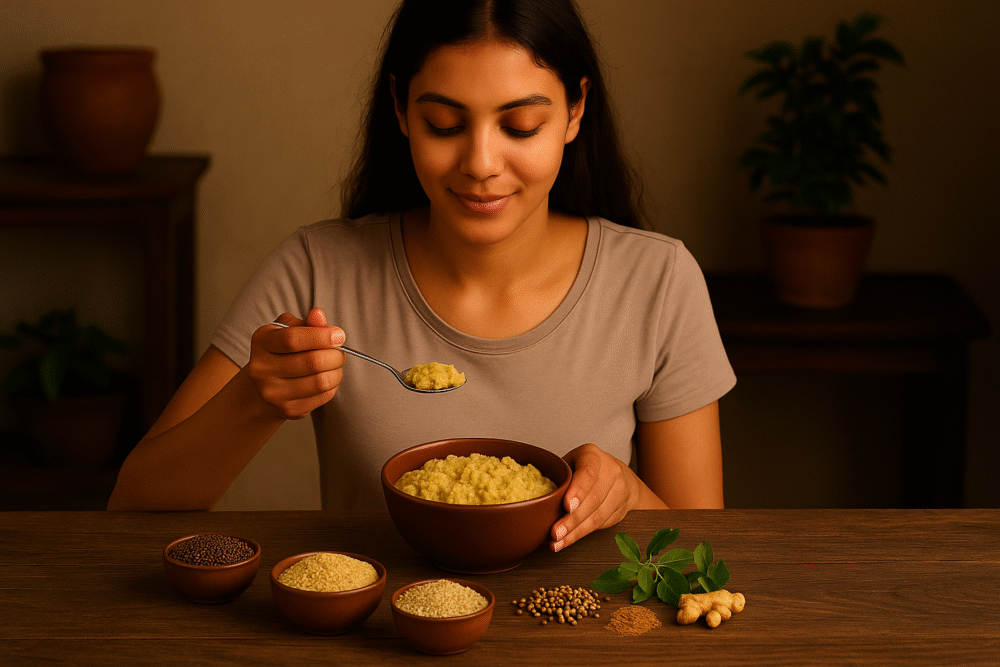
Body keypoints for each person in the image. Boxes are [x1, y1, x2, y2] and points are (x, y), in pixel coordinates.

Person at [108, 0, 736, 553]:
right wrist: (254, 399)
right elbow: (133, 507)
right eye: (445, 125)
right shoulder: (318, 270)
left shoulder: (657, 279)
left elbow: (706, 551)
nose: (481, 163)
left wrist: (626, 492)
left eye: (520, 126)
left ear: (575, 112)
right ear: (401, 111)